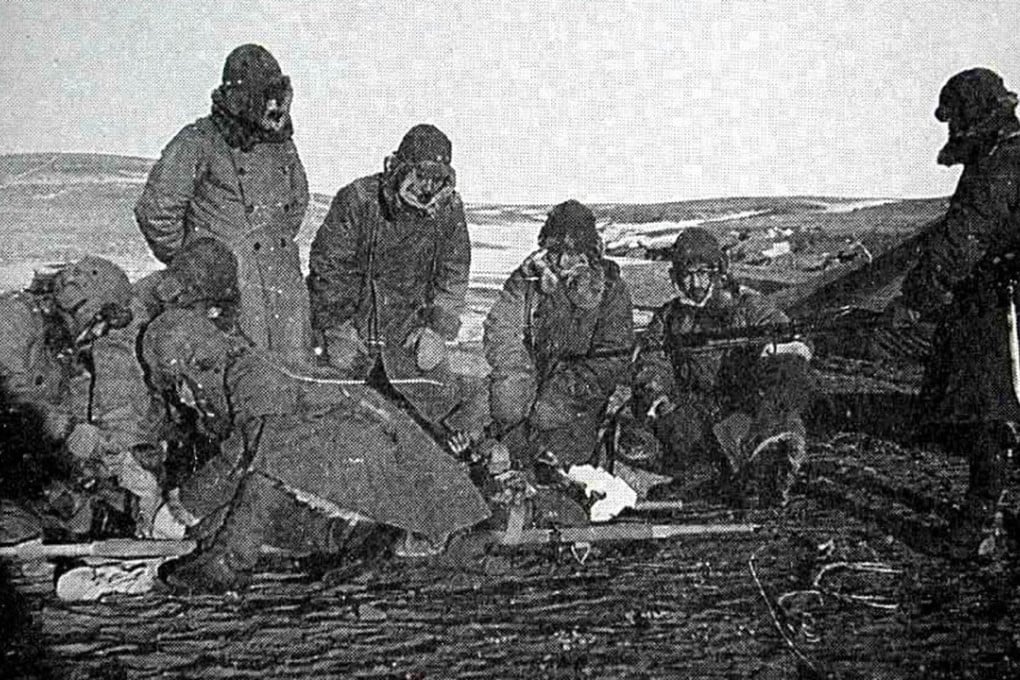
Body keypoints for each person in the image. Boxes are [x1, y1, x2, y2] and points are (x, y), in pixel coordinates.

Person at [141, 308, 491, 593]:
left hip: (377, 452)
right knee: (261, 483)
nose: (184, 398)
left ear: (196, 364)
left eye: (180, 384)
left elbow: (248, 450)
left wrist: (183, 507)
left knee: (267, 459)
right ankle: (361, 538)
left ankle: (229, 563)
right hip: (364, 456)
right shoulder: (240, 371)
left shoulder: (251, 374)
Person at [900, 67, 1020, 548]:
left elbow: (962, 240)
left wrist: (914, 302)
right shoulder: (1003, 153)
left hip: (1001, 305)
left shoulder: (1000, 163)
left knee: (992, 414)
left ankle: (975, 530)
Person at [134, 43, 311, 363]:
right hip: (230, 293)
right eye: (265, 96)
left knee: (295, 384)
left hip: (286, 292)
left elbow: (297, 201)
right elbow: (157, 211)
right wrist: (198, 264)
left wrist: (272, 244)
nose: (275, 105)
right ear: (242, 98)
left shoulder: (283, 144)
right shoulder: (199, 139)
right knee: (235, 384)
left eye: (278, 94)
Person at [306, 124, 482, 441]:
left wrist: (437, 329)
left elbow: (454, 273)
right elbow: (328, 267)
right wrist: (336, 327)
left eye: (437, 178)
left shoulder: (449, 211)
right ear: (399, 168)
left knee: (439, 422)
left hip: (407, 338)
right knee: (335, 421)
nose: (428, 187)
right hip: (354, 332)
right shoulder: (358, 200)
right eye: (420, 175)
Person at [629, 228, 814, 507]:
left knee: (784, 383)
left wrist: (774, 351)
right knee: (672, 437)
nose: (695, 282)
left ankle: (770, 462)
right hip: (696, 407)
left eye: (703, 273)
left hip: (746, 404)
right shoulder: (668, 317)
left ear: (717, 271)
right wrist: (657, 392)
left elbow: (786, 335)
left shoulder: (747, 304)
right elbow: (653, 359)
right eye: (687, 275)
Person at [483, 200, 634, 517]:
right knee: (484, 446)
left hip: (578, 402)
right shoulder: (527, 280)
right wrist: (515, 379)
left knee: (552, 465)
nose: (563, 262)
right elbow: (501, 329)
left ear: (590, 253)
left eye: (573, 253)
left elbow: (613, 358)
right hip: (526, 387)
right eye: (555, 252)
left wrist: (561, 394)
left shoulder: (612, 291)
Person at [0, 256, 163, 536]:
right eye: (98, 320)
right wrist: (69, 431)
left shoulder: (64, 342)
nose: (99, 333)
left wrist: (113, 454)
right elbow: (11, 395)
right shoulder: (13, 319)